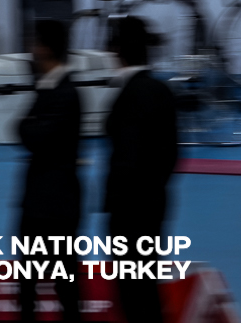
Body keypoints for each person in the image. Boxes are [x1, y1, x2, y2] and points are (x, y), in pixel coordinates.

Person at [103, 16, 178, 323]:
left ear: (117, 52)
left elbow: (127, 160)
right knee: (145, 286)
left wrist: (118, 205)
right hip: (155, 204)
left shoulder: (129, 96)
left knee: (132, 292)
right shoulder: (162, 91)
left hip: (130, 212)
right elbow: (173, 154)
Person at [15, 19, 82, 323]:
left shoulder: (63, 94)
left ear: (44, 48)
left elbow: (33, 135)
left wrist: (27, 126)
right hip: (45, 202)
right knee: (30, 284)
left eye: (34, 43)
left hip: (53, 206)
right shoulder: (50, 90)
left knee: (62, 282)